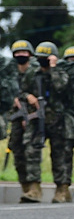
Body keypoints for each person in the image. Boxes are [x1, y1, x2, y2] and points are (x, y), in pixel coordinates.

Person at [17, 41, 74, 203]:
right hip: (37, 117)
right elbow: (21, 90)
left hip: (58, 119)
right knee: (31, 151)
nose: (42, 60)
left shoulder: (61, 72)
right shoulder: (32, 73)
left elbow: (61, 87)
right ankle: (34, 188)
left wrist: (53, 68)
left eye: (46, 58)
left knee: (60, 155)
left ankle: (62, 190)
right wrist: (28, 97)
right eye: (40, 57)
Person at [6, 39, 35, 195]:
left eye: (23, 52)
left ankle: (34, 187)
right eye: (17, 53)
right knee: (17, 150)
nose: (20, 55)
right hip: (16, 117)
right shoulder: (9, 72)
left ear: (30, 54)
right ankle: (24, 185)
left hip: (34, 116)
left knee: (31, 152)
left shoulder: (36, 70)